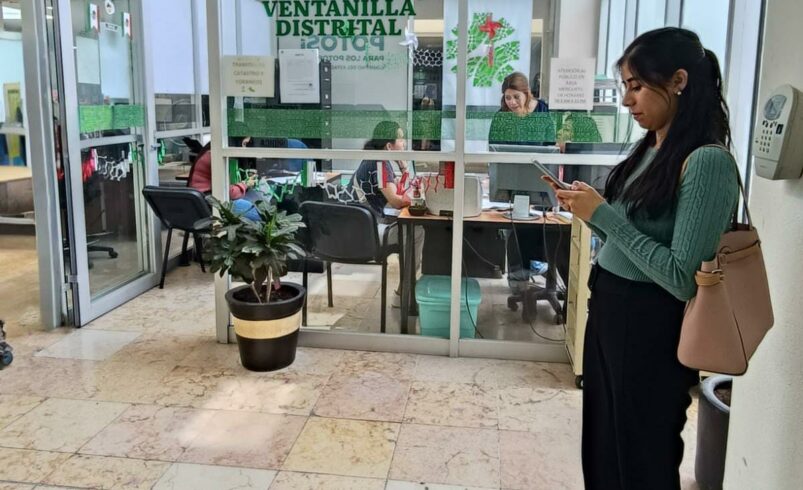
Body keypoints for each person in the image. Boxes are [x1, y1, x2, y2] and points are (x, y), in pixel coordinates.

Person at [544, 28, 739, 489]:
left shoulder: (707, 162)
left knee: (641, 457)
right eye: (625, 87)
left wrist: (605, 216)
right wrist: (589, 212)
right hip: (611, 311)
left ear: (678, 81)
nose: (627, 100)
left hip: (651, 326)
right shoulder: (652, 148)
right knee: (603, 446)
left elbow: (681, 277)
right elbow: (627, 240)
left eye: (636, 86)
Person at [349, 120, 423, 307]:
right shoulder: (380, 163)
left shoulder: (375, 159)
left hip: (355, 227)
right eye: (401, 139)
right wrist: (421, 201)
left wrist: (403, 168)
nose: (404, 143)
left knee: (409, 227)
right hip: (366, 232)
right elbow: (397, 200)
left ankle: (406, 288)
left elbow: (398, 191)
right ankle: (405, 292)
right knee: (417, 231)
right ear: (389, 146)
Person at [488, 71, 552, 146]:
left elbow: (552, 146)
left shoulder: (543, 110)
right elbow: (495, 148)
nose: (512, 102)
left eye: (516, 97)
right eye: (508, 98)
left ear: (526, 94)